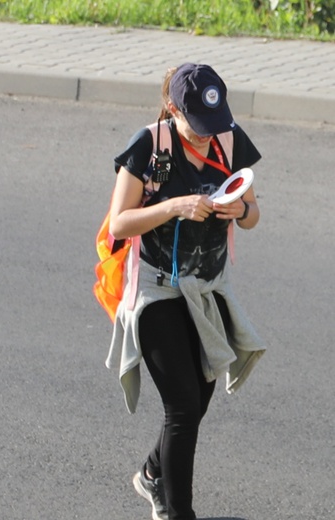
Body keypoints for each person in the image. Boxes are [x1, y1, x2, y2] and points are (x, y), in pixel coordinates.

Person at [104, 63, 266, 520]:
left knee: (201, 394)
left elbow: (254, 214)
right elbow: (118, 223)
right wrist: (174, 206)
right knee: (181, 406)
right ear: (172, 109)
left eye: (211, 127)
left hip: (208, 288)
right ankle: (179, 513)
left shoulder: (229, 140)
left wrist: (239, 210)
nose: (204, 137)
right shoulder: (148, 146)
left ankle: (153, 473)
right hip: (157, 290)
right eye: (196, 127)